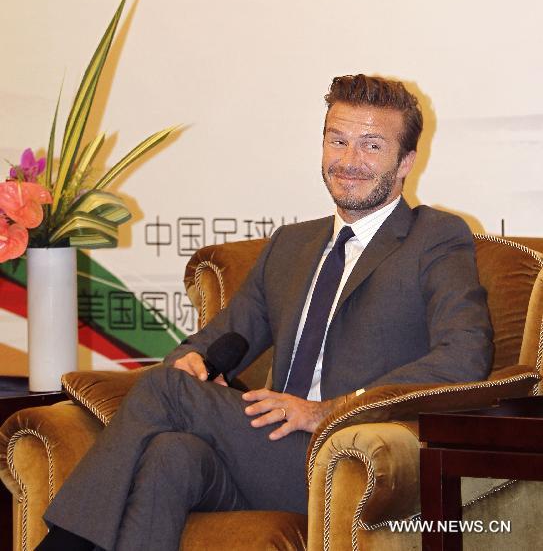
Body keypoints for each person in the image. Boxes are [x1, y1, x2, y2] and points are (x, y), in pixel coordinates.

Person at [39, 74, 493, 551]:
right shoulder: (291, 246)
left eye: (371, 146)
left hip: (353, 460)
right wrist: (194, 362)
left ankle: (62, 545)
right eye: (337, 141)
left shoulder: (435, 238)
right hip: (267, 453)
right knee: (171, 453)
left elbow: (463, 358)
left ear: (405, 162)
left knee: (163, 387)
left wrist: (329, 410)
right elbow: (220, 338)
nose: (349, 161)